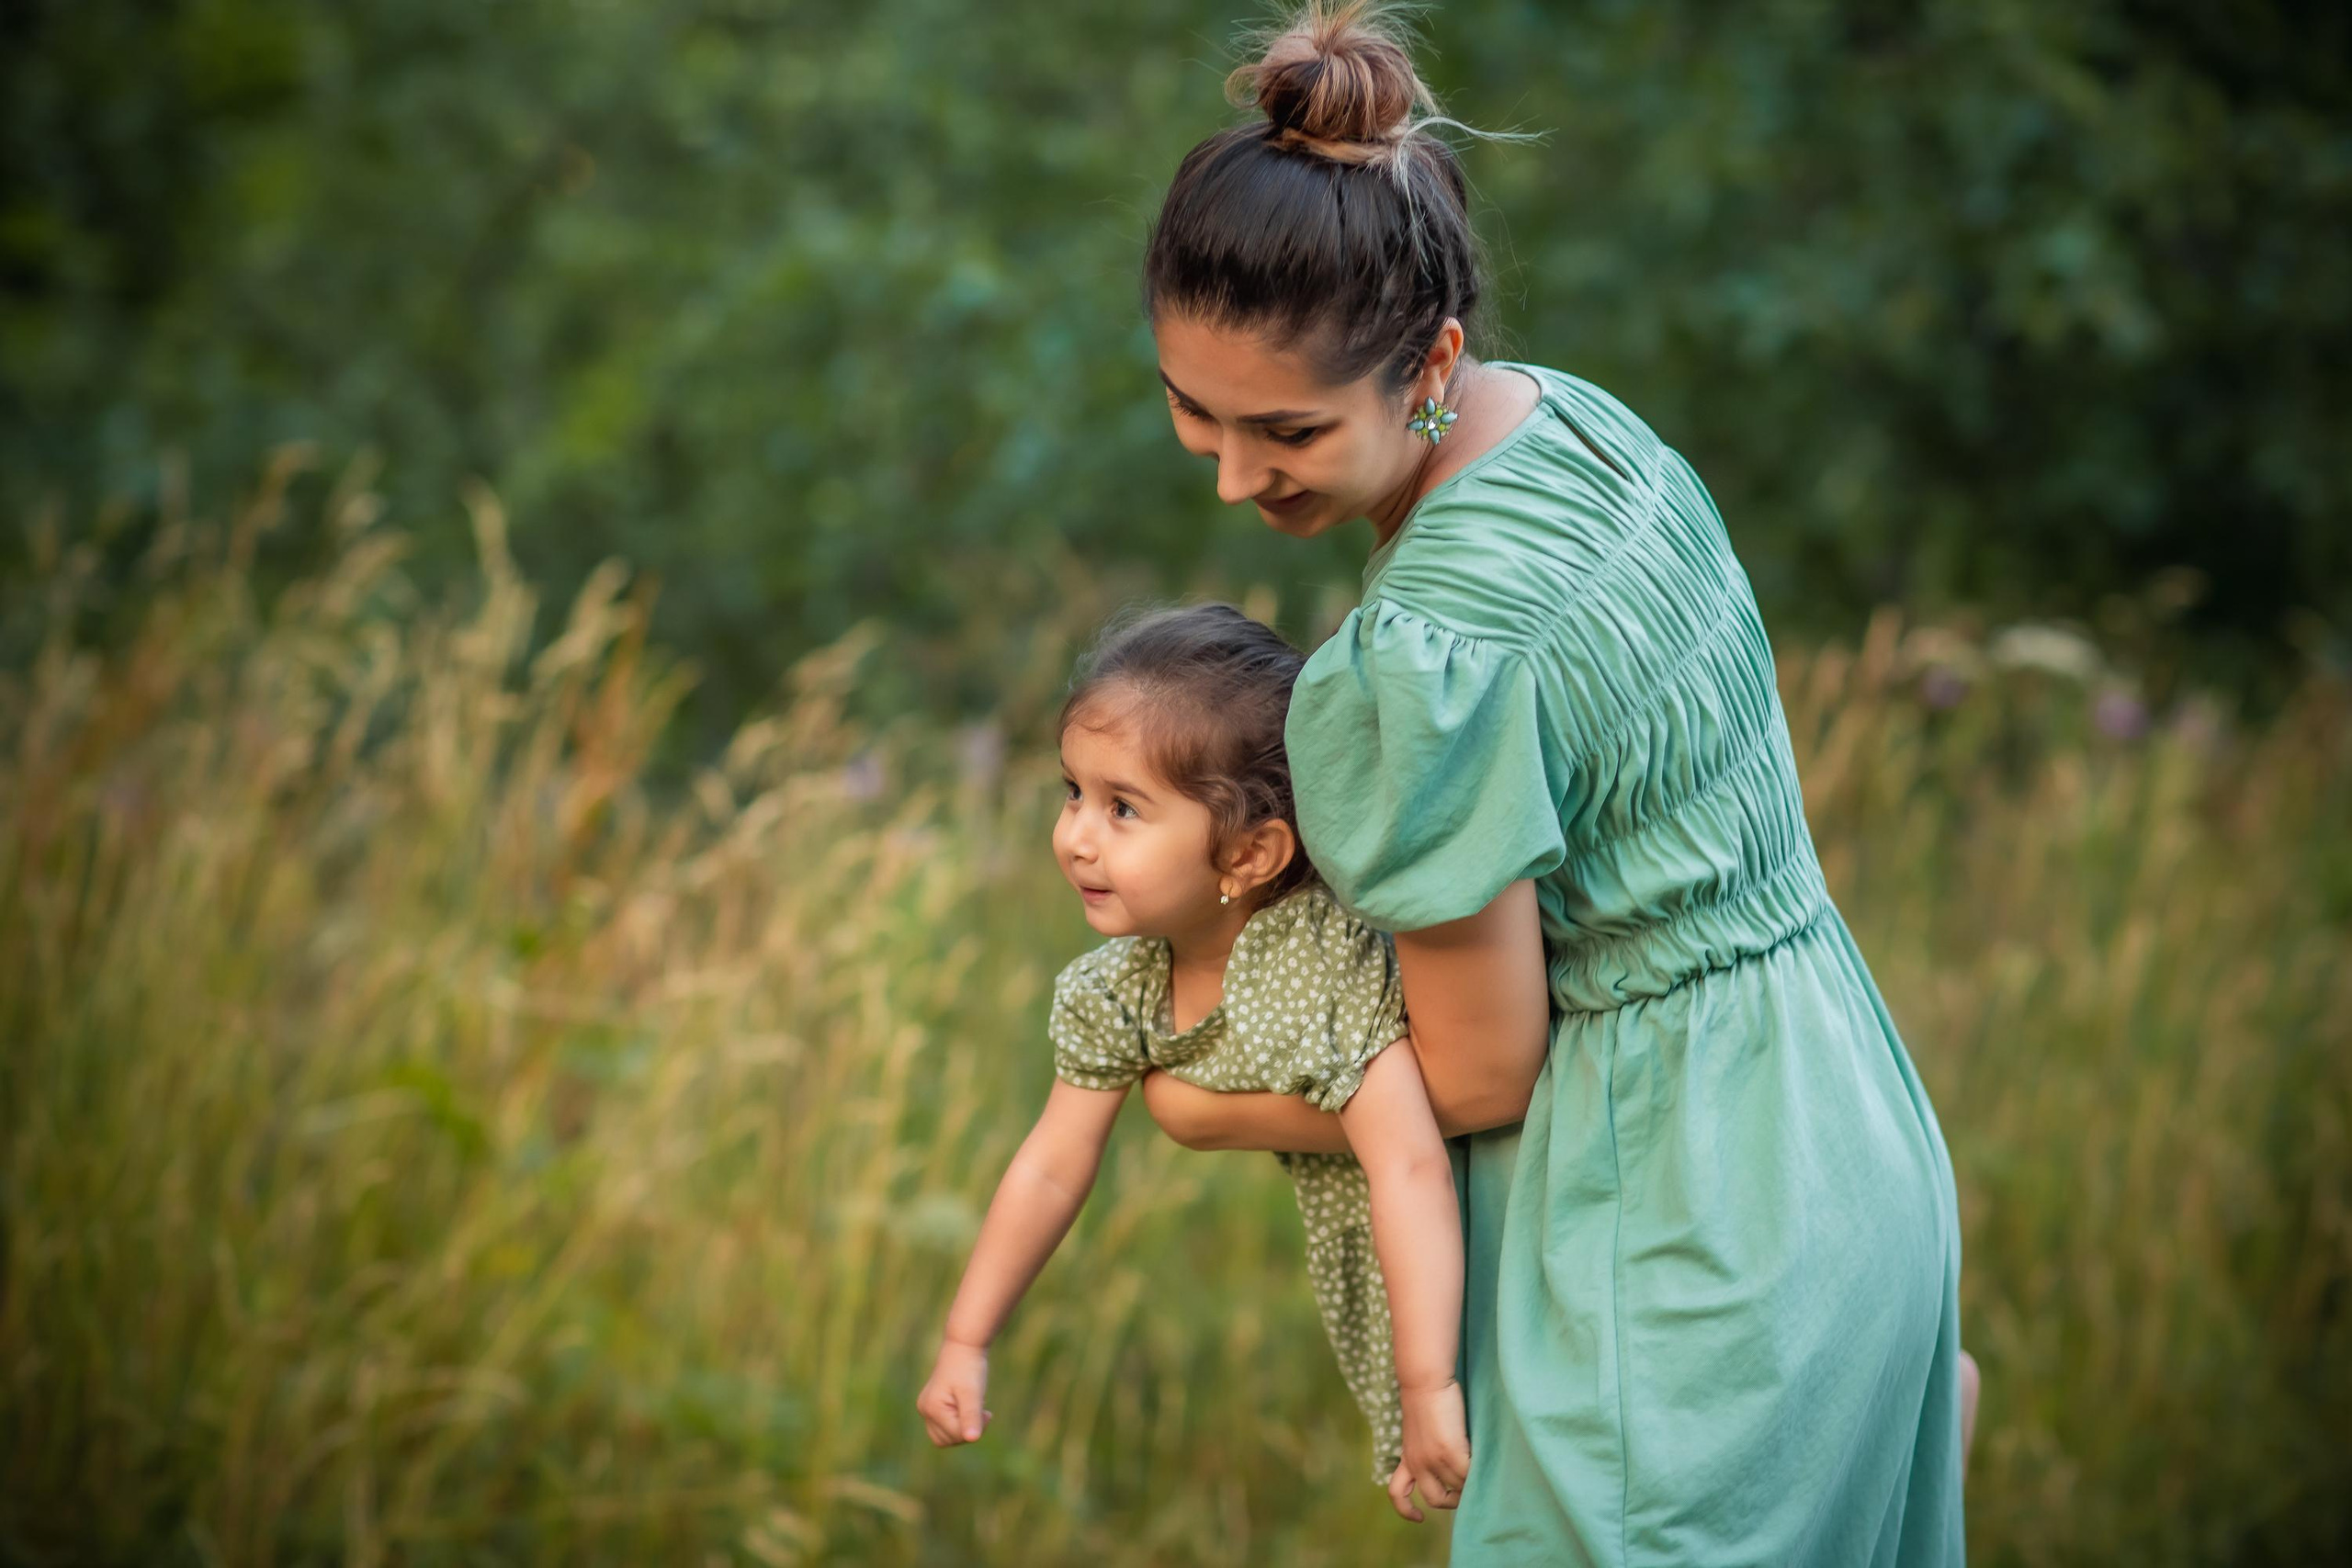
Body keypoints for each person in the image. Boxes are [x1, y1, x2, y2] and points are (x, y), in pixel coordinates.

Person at [1130, 5, 1971, 1562]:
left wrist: (1203, 1102)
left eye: (1291, 430)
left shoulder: (1422, 656)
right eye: (1199, 415)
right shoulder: (1585, 434)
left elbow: (1482, 1073)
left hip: (1676, 1238)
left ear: (1431, 359)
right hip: (1844, 1139)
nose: (1240, 478)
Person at [915, 604, 1474, 1521]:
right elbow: (1053, 1165)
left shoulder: (1316, 963)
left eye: (1123, 808)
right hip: (1388, 1259)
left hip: (1471, 1226)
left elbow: (1407, 1163)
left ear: (1249, 853)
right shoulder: (1118, 987)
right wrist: (966, 1337)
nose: (1077, 837)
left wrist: (1425, 1386)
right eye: (1072, 793)